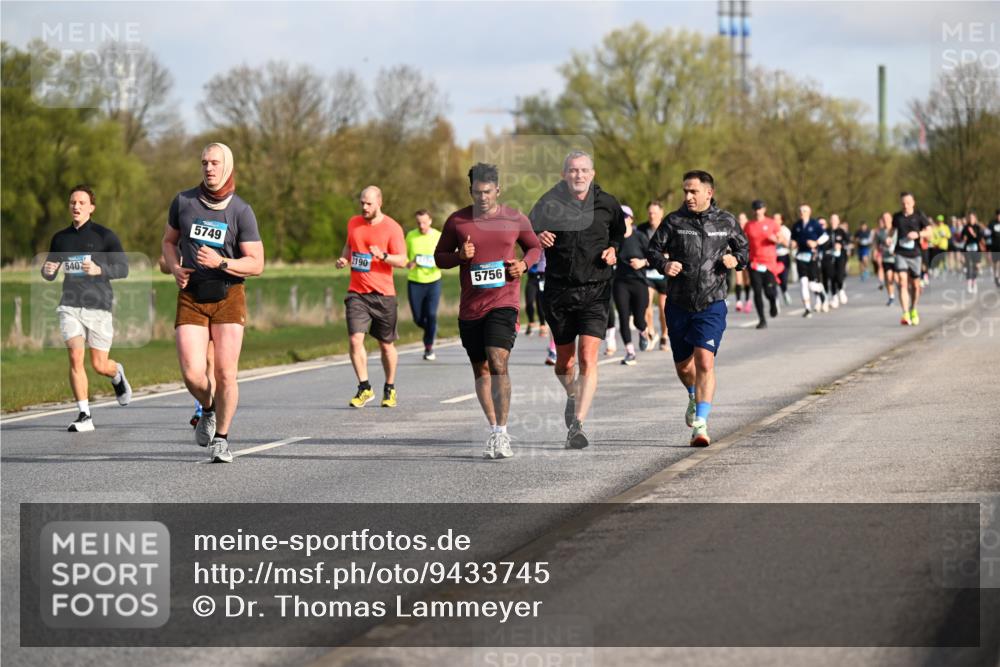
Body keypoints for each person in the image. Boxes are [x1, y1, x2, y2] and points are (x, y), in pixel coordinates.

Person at [162, 142, 264, 463]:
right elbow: (168, 242)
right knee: (193, 373)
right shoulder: (183, 202)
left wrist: (221, 262)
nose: (209, 168)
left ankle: (222, 438)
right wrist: (175, 267)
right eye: (204, 162)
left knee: (225, 373)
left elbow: (256, 263)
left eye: (215, 163)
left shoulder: (241, 210)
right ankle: (207, 409)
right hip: (191, 294)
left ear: (227, 166)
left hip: (228, 294)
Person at [434, 163, 541, 459]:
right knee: (481, 369)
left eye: (487, 192)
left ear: (498, 191)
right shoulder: (457, 221)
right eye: (477, 192)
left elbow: (534, 247)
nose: (482, 197)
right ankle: (493, 428)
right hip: (471, 308)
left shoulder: (514, 218)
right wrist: (458, 256)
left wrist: (523, 265)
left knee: (498, 360)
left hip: (504, 302)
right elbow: (438, 258)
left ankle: (502, 434)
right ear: (470, 191)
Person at [529, 150, 625, 450]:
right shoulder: (549, 202)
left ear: (592, 174)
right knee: (564, 363)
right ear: (564, 174)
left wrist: (614, 250)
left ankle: (578, 425)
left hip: (597, 290)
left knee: (587, 358)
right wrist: (538, 236)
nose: (578, 175)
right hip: (559, 291)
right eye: (573, 170)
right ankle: (572, 395)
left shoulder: (607, 203)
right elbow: (528, 231)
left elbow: (619, 235)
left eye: (584, 170)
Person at [646, 170, 748, 447]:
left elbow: (744, 252)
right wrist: (664, 265)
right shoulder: (675, 221)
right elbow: (652, 250)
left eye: (693, 191)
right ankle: (693, 394)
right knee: (684, 366)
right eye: (685, 192)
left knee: (705, 360)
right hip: (678, 302)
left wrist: (735, 260)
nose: (688, 196)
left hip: (711, 302)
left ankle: (701, 425)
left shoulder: (726, 221)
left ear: (708, 193)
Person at [41, 185, 131, 432]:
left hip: (99, 306)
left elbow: (123, 268)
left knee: (99, 364)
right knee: (75, 356)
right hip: (69, 305)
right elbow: (50, 268)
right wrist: (47, 271)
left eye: (81, 202)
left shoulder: (105, 236)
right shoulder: (60, 238)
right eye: (72, 202)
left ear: (91, 207)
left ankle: (116, 375)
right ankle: (84, 415)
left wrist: (100, 270)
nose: (76, 206)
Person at [336, 186, 407, 407]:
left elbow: (403, 260)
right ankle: (364, 387)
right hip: (357, 292)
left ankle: (390, 387)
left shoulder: (392, 228)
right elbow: (350, 246)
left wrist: (383, 256)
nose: (364, 207)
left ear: (379, 202)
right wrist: (344, 259)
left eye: (368, 203)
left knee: (386, 345)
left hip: (384, 294)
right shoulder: (353, 223)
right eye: (362, 203)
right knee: (355, 339)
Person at [159, 253, 214, 427]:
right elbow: (162, 262)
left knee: (211, 359)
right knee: (198, 363)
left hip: (221, 296)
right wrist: (176, 266)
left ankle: (211, 407)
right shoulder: (183, 228)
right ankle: (205, 408)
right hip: (192, 299)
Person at [612, 204, 651, 363]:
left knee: (638, 320)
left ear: (631, 219)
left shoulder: (640, 237)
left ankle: (643, 331)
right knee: (622, 316)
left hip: (639, 282)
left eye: (625, 217)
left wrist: (642, 263)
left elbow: (654, 258)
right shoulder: (614, 239)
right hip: (620, 282)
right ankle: (630, 352)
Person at [405, 209, 442, 360]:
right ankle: (432, 329)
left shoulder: (438, 236)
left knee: (432, 315)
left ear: (430, 221)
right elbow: (404, 258)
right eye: (418, 223)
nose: (421, 225)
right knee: (418, 319)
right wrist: (410, 263)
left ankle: (429, 348)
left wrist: (438, 262)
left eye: (424, 222)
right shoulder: (411, 236)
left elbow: (445, 258)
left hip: (434, 280)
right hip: (415, 281)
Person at [892, 192, 931, 325]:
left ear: (913, 203)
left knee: (915, 285)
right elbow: (892, 232)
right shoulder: (897, 217)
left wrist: (918, 234)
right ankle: (905, 313)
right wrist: (888, 239)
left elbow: (930, 232)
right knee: (902, 282)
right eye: (903, 203)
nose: (905, 205)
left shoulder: (919, 215)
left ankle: (913, 308)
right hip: (900, 253)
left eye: (908, 202)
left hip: (915, 254)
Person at [743, 200, 781, 328]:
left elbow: (781, 239)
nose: (757, 211)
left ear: (764, 209)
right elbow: (743, 242)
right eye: (755, 209)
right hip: (754, 263)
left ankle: (773, 302)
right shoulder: (749, 225)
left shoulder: (771, 223)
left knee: (769, 292)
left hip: (769, 263)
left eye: (759, 208)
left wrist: (774, 239)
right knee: (757, 291)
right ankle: (762, 319)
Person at [638, 200, 669, 350]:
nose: (652, 216)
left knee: (664, 308)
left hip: (664, 273)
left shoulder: (669, 227)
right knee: (646, 305)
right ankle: (651, 333)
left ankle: (664, 335)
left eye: (654, 213)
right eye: (650, 213)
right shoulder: (641, 229)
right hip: (648, 273)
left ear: (661, 214)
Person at [790, 204, 825, 318]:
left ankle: (821, 291)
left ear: (809, 212)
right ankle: (807, 308)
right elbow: (793, 240)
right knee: (803, 283)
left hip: (812, 256)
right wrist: (793, 244)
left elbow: (825, 236)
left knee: (811, 285)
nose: (802, 213)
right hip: (801, 257)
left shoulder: (814, 224)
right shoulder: (796, 225)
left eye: (804, 211)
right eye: (800, 211)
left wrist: (816, 243)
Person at [523, 247, 548, 338]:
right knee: (529, 301)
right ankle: (531, 321)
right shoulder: (530, 250)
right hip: (531, 278)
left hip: (542, 278)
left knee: (540, 303)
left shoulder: (545, 250)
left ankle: (542, 325)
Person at [828, 214, 850, 307]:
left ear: (838, 221)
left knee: (840, 274)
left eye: (835, 219)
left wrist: (840, 245)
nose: (833, 221)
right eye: (832, 219)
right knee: (832, 276)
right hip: (830, 256)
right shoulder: (827, 232)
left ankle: (841, 289)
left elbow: (848, 242)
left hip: (841, 256)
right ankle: (834, 297)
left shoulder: (841, 231)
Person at [959, 213, 985, 293]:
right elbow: (961, 237)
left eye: (972, 218)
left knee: (976, 266)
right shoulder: (966, 227)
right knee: (969, 266)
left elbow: (980, 238)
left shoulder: (977, 227)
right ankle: (969, 284)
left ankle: (974, 282)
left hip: (976, 248)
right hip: (968, 248)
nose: (971, 219)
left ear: (975, 219)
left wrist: (973, 234)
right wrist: (964, 237)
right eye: (969, 218)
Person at [876, 212, 898, 306]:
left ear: (891, 219)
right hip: (887, 258)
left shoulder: (896, 230)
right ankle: (891, 297)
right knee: (889, 278)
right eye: (884, 218)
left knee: (897, 278)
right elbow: (877, 245)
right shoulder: (880, 232)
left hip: (898, 258)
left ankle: (903, 292)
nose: (886, 220)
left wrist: (895, 249)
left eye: (887, 218)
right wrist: (881, 248)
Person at [732, 213, 751, 313]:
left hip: (749, 258)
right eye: (739, 219)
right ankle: (738, 301)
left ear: (747, 220)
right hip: (738, 258)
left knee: (747, 280)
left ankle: (748, 300)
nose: (741, 221)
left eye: (743, 219)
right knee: (738, 280)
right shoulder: (736, 231)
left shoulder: (749, 230)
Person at [773, 212, 792, 304]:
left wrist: (781, 239)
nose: (775, 221)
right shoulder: (770, 229)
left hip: (784, 257)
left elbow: (789, 244)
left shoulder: (785, 230)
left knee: (783, 279)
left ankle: (784, 291)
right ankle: (775, 299)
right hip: (772, 258)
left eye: (777, 219)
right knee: (773, 279)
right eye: (774, 219)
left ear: (781, 220)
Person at [989, 209, 1000, 287]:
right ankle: (996, 276)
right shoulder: (992, 224)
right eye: (998, 215)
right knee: (996, 263)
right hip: (994, 246)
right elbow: (987, 234)